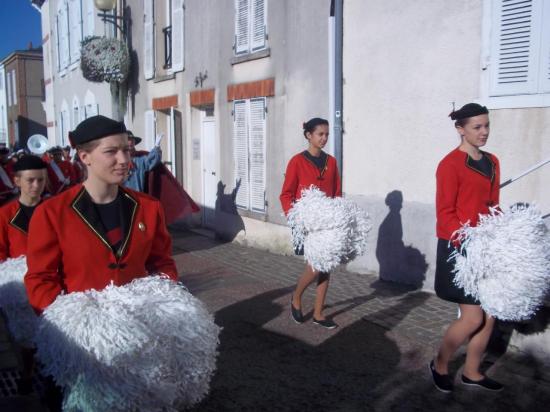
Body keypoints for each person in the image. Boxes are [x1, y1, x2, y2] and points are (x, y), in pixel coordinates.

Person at [24, 115, 178, 314]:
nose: (124, 160)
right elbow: (40, 279)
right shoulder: (51, 213)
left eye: (126, 150)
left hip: (142, 325)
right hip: (82, 333)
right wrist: (70, 322)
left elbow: (161, 263)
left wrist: (165, 304)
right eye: (111, 151)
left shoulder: (149, 207)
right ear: (84, 156)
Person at [429, 103, 503, 392]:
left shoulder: (493, 161)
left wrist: (500, 236)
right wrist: (468, 242)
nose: (484, 132)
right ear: (460, 129)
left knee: (490, 315)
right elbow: (445, 213)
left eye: (486, 126)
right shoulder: (449, 165)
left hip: (487, 246)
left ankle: (472, 371)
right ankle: (440, 363)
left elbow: (493, 206)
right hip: (459, 247)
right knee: (473, 317)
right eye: (477, 127)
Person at [280, 117, 342, 329]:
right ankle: (296, 297)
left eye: (326, 134)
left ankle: (318, 313)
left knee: (326, 266)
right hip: (306, 222)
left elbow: (337, 194)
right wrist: (295, 217)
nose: (324, 138)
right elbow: (286, 194)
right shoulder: (296, 161)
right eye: (320, 134)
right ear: (309, 135)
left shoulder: (331, 162)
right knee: (316, 265)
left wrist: (338, 217)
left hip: (328, 221)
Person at [0, 155, 48, 261]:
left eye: (40, 180)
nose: (36, 185)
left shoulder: (54, 210)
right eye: (30, 180)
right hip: (16, 274)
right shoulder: (4, 215)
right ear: (17, 181)